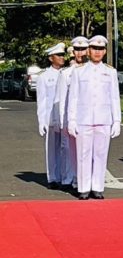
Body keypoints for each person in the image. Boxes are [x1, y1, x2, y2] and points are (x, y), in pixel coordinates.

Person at [66, 35, 121, 200]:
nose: (97, 52)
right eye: (94, 48)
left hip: (104, 119)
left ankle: (97, 187)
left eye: (100, 49)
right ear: (88, 51)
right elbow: (73, 97)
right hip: (83, 119)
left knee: (100, 154)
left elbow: (114, 97)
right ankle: (83, 188)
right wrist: (71, 120)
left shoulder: (110, 72)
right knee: (83, 154)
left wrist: (117, 120)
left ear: (104, 51)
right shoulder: (79, 71)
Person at [57, 37, 89, 191]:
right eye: (77, 50)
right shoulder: (66, 73)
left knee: (88, 151)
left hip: (88, 118)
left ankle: (87, 180)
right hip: (72, 118)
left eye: (83, 50)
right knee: (71, 151)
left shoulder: (93, 71)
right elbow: (62, 99)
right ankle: (74, 178)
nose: (80, 53)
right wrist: (63, 121)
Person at [36, 42, 66, 188]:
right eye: (58, 55)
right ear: (50, 58)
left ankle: (65, 176)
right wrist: (41, 121)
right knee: (52, 150)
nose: (62, 57)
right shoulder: (44, 77)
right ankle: (53, 178)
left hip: (64, 117)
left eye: (62, 55)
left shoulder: (67, 73)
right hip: (51, 117)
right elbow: (41, 101)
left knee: (66, 148)